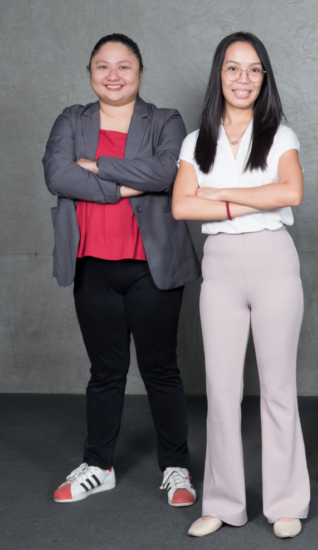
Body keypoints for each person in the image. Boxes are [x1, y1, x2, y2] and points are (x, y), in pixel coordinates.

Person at [43, 33, 200, 508]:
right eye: (103, 67)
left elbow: (168, 172)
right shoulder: (72, 119)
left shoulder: (166, 119)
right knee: (105, 372)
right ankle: (98, 465)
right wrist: (125, 182)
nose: (113, 76)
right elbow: (57, 174)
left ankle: (176, 468)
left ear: (140, 72)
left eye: (124, 66)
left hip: (151, 266)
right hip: (92, 265)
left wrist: (96, 168)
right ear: (90, 73)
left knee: (161, 369)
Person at [172, 32, 309, 539]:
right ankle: (223, 503)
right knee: (222, 390)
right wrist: (254, 197)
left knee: (277, 388)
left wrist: (222, 192)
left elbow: (291, 191)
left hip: (274, 258)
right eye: (233, 68)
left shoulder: (281, 135)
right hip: (221, 264)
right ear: (219, 75)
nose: (243, 79)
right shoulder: (195, 140)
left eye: (254, 70)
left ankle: (286, 502)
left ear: (264, 78)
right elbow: (183, 205)